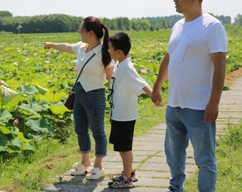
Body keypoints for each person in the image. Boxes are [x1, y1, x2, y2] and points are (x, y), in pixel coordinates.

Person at [151, 0, 227, 192]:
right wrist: (157, 86)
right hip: (174, 106)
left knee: (204, 160)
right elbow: (168, 58)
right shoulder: (177, 25)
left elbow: (220, 66)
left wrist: (214, 102)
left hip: (199, 107)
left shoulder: (212, 26)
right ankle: (176, 188)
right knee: (173, 156)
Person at [43, 16, 114, 180]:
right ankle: (85, 162)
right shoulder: (82, 47)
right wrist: (52, 45)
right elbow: (67, 47)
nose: (79, 33)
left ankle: (98, 165)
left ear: (90, 33)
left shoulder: (104, 52)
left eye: (81, 30)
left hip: (95, 95)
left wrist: (114, 96)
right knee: (80, 129)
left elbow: (111, 78)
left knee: (98, 131)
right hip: (80, 93)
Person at [107, 32, 160, 189]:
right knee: (121, 147)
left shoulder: (128, 68)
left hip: (125, 115)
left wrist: (153, 96)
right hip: (118, 113)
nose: (108, 50)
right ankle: (128, 172)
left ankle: (127, 178)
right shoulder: (119, 64)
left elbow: (142, 83)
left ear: (119, 52)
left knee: (125, 147)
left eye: (110, 48)